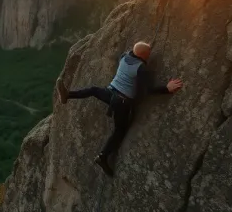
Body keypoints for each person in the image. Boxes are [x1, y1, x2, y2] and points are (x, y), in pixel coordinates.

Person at [55, 41, 184, 176]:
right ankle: (103, 156)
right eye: (148, 54)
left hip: (110, 93)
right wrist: (167, 89)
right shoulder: (140, 68)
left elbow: (137, 51)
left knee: (93, 90)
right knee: (119, 130)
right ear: (144, 56)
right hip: (121, 102)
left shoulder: (124, 56)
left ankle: (68, 95)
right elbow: (148, 89)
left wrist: (145, 48)